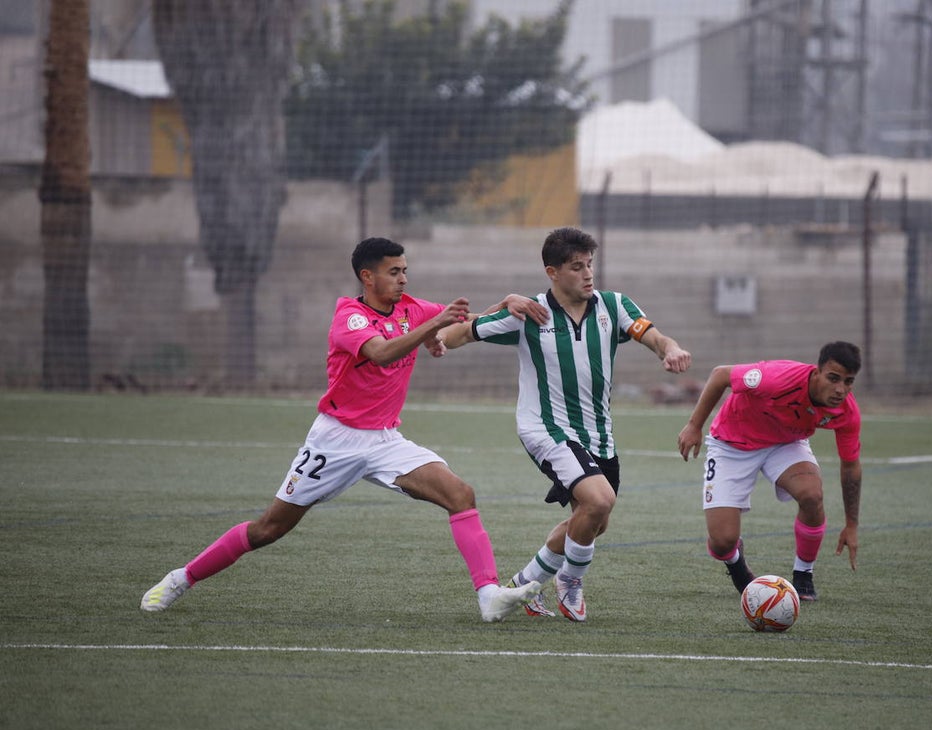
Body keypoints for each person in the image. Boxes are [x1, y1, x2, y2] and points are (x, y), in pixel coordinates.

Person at [140, 236, 548, 622]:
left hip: (385, 439)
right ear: (366, 277)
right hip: (336, 439)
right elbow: (384, 353)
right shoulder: (348, 318)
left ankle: (489, 597)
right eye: (393, 272)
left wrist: (503, 304)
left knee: (460, 493)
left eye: (405, 270)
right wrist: (430, 329)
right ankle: (181, 578)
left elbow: (461, 324)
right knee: (269, 529)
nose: (403, 279)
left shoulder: (409, 309)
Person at [440, 226, 691, 622]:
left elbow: (654, 337)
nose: (588, 274)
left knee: (593, 522)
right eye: (577, 267)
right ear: (552, 272)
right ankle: (570, 582)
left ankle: (525, 582)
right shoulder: (528, 313)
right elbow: (451, 337)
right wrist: (500, 305)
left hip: (599, 434)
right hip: (547, 428)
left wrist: (671, 347)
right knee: (599, 500)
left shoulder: (615, 305)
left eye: (590, 264)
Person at [676, 342, 863, 602]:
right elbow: (720, 375)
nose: (840, 389)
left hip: (786, 443)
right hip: (733, 443)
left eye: (849, 381)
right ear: (817, 372)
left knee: (811, 496)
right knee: (722, 541)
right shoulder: (776, 378)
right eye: (833, 378)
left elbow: (851, 466)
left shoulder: (846, 411)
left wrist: (851, 525)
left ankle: (803, 574)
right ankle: (736, 564)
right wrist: (694, 426)